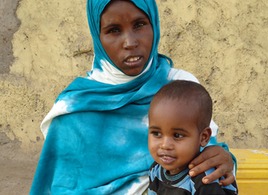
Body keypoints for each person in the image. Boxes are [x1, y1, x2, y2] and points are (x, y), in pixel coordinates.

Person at [30, 0, 236, 194]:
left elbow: (208, 159)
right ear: (97, 36)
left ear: (154, 24)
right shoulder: (74, 109)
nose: (130, 42)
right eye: (113, 30)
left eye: (139, 24)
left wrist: (225, 161)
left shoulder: (179, 86)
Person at [148, 80, 238, 194]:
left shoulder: (204, 179)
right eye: (156, 134)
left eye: (177, 135)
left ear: (203, 137)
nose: (165, 145)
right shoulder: (156, 170)